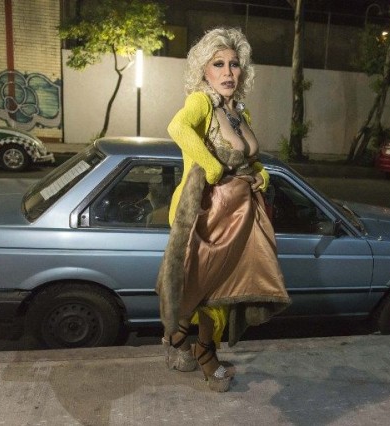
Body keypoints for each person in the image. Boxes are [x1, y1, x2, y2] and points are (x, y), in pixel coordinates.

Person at [156, 27, 291, 392]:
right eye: (218, 64)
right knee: (202, 289)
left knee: (226, 291)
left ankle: (192, 346)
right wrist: (211, 166)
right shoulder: (201, 102)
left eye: (234, 64)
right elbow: (177, 127)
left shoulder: (238, 111)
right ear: (204, 70)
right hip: (205, 214)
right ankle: (189, 345)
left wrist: (261, 175)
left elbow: (249, 159)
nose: (228, 72)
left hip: (237, 216)